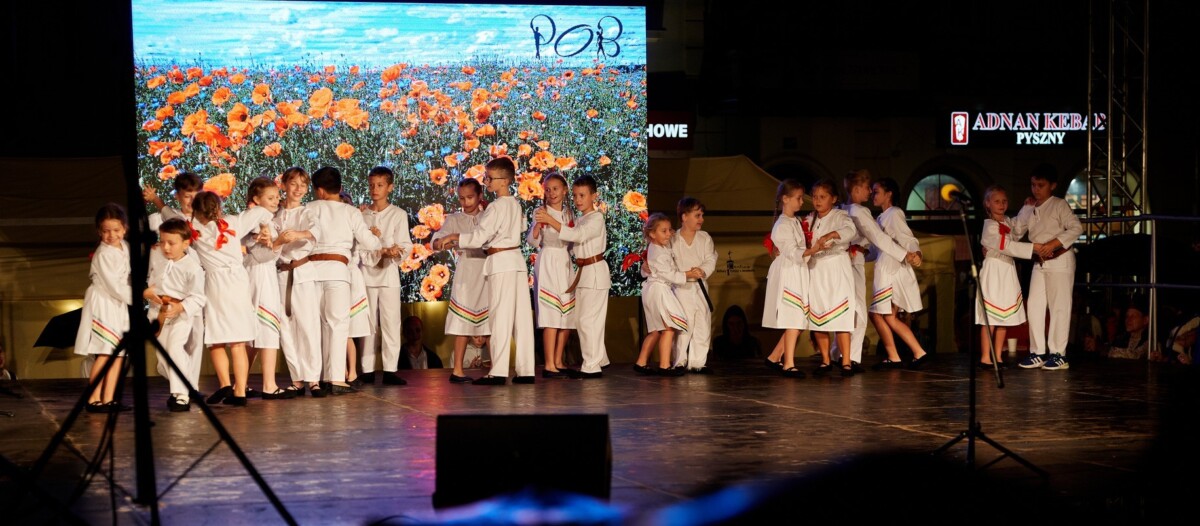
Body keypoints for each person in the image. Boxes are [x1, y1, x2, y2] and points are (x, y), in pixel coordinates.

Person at [276, 167, 381, 395]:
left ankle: (317, 377)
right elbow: (370, 243)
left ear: (319, 190)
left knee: (314, 327)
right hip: (337, 272)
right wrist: (377, 239)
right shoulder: (350, 212)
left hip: (309, 271)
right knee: (337, 325)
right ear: (339, 188)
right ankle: (335, 378)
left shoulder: (308, 208)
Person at [441, 157, 536, 385]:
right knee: (521, 318)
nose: (487, 182)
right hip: (516, 261)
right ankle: (526, 370)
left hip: (501, 262)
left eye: (490, 178)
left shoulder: (495, 206)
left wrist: (454, 236)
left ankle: (499, 371)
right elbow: (521, 227)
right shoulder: (515, 204)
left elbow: (479, 237)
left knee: (500, 318)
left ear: (504, 181)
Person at [189, 190, 275, 406]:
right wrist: (265, 228)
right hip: (237, 283)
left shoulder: (194, 230)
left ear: (196, 211)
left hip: (215, 285)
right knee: (238, 342)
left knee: (216, 341)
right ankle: (240, 393)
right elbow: (263, 212)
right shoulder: (233, 222)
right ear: (218, 208)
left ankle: (226, 384)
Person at [535, 174, 610, 379]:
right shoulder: (580, 219)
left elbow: (577, 235)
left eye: (582, 195)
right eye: (576, 195)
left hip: (595, 271)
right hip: (583, 272)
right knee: (582, 319)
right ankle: (598, 360)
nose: (578, 200)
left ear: (594, 196)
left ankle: (592, 365)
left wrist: (551, 221)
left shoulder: (596, 218)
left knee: (588, 320)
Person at [1016, 164, 1083, 371]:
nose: (1036, 189)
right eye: (1033, 185)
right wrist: (1025, 209)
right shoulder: (1031, 207)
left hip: (1060, 260)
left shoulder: (1059, 204)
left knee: (1059, 306)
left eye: (1041, 185)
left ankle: (1058, 354)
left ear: (1052, 186)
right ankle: (1037, 352)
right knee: (1034, 306)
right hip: (1040, 262)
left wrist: (1053, 244)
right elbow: (1016, 230)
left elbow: (1076, 227)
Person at [865, 176, 931, 369]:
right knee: (887, 316)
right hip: (886, 267)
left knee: (878, 314)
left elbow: (907, 237)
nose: (873, 195)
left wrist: (916, 252)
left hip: (891, 270)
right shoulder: (881, 218)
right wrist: (860, 253)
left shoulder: (894, 213)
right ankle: (917, 352)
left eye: (877, 192)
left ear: (889, 194)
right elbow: (876, 249)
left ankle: (897, 355)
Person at [431, 178, 491, 383]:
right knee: (463, 322)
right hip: (466, 271)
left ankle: (495, 368)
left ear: (480, 196)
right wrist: (440, 243)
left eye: (470, 197)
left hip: (486, 270)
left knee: (489, 324)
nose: (466, 202)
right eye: (462, 198)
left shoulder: (488, 217)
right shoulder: (455, 219)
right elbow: (437, 239)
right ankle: (457, 370)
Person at [75, 203, 133, 413]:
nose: (111, 235)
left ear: (124, 228)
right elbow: (113, 285)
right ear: (99, 231)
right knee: (105, 352)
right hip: (104, 302)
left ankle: (108, 398)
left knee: (118, 354)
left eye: (116, 230)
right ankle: (93, 398)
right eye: (106, 231)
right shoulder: (104, 253)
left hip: (118, 304)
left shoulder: (124, 246)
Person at [975, 185, 1041, 368]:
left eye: (1004, 201)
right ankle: (985, 357)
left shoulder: (1007, 222)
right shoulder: (989, 226)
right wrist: (1032, 248)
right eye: (997, 201)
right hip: (994, 270)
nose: (1001, 204)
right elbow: (1005, 245)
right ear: (988, 204)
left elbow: (1018, 228)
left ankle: (998, 356)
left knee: (1003, 317)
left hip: (1007, 270)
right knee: (990, 317)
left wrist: (1027, 208)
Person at [241, 177, 294, 399]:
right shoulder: (256, 220)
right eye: (270, 198)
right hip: (260, 276)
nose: (276, 201)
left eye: (277, 197)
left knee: (255, 333)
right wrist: (279, 241)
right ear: (256, 199)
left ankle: (241, 384)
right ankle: (269, 385)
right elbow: (262, 255)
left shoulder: (262, 220)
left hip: (260, 274)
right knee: (267, 328)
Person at [359, 166, 412, 386]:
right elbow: (360, 246)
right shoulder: (361, 215)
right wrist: (377, 249)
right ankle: (367, 369)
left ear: (389, 187)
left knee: (391, 322)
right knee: (368, 322)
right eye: (372, 185)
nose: (375, 189)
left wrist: (394, 251)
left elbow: (405, 244)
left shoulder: (398, 214)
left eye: (380, 185)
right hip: (367, 274)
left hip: (389, 274)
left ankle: (390, 369)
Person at [145, 218, 206, 411]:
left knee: (174, 348)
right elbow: (151, 283)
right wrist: (147, 293)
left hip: (180, 315)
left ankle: (181, 396)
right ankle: (187, 384)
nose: (166, 247)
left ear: (185, 243)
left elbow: (199, 297)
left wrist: (180, 308)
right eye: (162, 242)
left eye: (171, 243)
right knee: (164, 360)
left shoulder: (192, 267)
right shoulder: (157, 258)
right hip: (158, 314)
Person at [805, 179, 859, 377]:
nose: (817, 201)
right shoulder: (809, 218)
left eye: (822, 197)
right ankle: (826, 360)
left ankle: (846, 361)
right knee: (819, 314)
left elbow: (850, 231)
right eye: (815, 197)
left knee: (841, 316)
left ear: (833, 199)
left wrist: (832, 234)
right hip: (817, 268)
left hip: (836, 267)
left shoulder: (840, 215)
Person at [273, 167, 319, 397]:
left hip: (302, 272)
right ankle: (297, 379)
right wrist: (280, 239)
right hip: (281, 274)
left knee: (308, 326)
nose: (298, 189)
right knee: (286, 328)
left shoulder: (307, 212)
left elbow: (316, 231)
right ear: (283, 186)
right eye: (293, 184)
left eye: (303, 184)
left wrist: (299, 234)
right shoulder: (275, 214)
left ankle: (314, 379)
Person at [527, 172, 576, 378]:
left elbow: (572, 241)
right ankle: (549, 364)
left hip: (564, 261)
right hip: (548, 260)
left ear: (564, 190)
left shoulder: (569, 214)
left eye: (555, 189)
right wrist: (538, 225)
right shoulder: (541, 211)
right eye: (547, 189)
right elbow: (532, 240)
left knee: (567, 314)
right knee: (550, 313)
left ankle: (558, 360)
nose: (551, 193)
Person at [761, 179, 811, 378]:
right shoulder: (782, 225)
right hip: (788, 272)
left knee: (799, 319)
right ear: (785, 199)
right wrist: (813, 250)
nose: (802, 202)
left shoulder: (795, 221)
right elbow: (792, 251)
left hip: (797, 270)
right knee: (793, 317)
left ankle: (775, 357)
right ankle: (788, 364)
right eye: (798, 198)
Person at [632, 213, 688, 376]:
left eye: (670, 230)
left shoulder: (657, 247)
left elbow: (651, 269)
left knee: (656, 330)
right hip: (658, 291)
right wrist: (688, 274)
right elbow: (667, 273)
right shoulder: (658, 251)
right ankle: (664, 365)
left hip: (653, 290)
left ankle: (641, 362)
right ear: (652, 233)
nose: (669, 234)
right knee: (668, 329)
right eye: (664, 231)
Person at [670, 197, 717, 373]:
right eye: (697, 215)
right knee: (683, 325)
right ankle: (679, 361)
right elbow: (668, 263)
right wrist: (685, 274)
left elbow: (711, 258)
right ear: (684, 217)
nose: (701, 219)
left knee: (702, 324)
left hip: (700, 286)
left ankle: (698, 362)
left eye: (702, 215)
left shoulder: (705, 238)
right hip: (681, 287)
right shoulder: (673, 239)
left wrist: (702, 270)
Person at [342, 191, 376, 388]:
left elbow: (367, 255)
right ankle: (342, 371)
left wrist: (375, 240)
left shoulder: (357, 229)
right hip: (336, 276)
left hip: (352, 280)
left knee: (348, 331)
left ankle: (352, 372)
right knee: (338, 331)